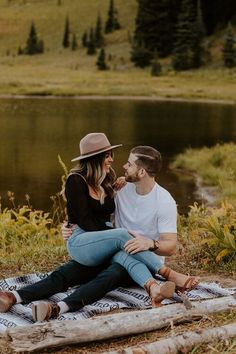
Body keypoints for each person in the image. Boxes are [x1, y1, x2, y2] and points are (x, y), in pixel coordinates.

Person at [0, 133, 199, 321]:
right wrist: (69, 225)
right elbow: (89, 216)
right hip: (110, 245)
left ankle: (57, 308)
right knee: (69, 272)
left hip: (135, 259)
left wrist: (148, 243)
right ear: (96, 158)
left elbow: (171, 246)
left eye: (128, 164)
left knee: (110, 272)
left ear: (142, 171)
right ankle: (13, 296)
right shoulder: (120, 187)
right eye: (108, 155)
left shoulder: (163, 200)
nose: (117, 162)